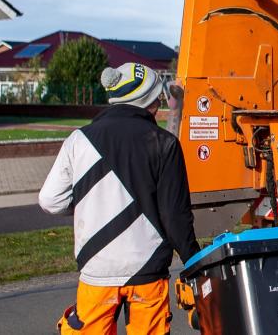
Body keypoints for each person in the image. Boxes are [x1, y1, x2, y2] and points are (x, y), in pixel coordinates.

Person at [39, 62, 199, 334]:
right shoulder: (165, 143)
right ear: (148, 101)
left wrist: (90, 203)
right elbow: (175, 218)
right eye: (157, 98)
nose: (159, 104)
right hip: (147, 269)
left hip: (97, 268)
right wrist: (195, 263)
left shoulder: (79, 140)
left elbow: (50, 200)